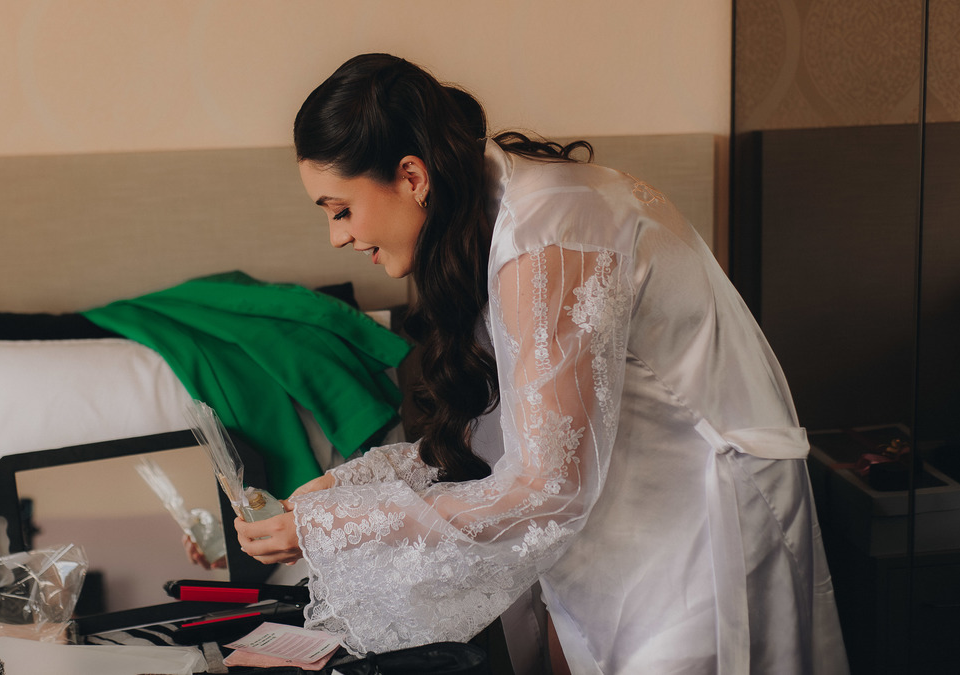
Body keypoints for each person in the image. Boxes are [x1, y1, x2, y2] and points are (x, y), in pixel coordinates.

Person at [229, 53, 848, 674]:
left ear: (412, 176)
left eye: (340, 209)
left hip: (693, 518)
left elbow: (545, 487)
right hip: (619, 507)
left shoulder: (549, 234)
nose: (337, 236)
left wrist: (336, 526)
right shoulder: (487, 213)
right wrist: (344, 489)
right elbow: (502, 436)